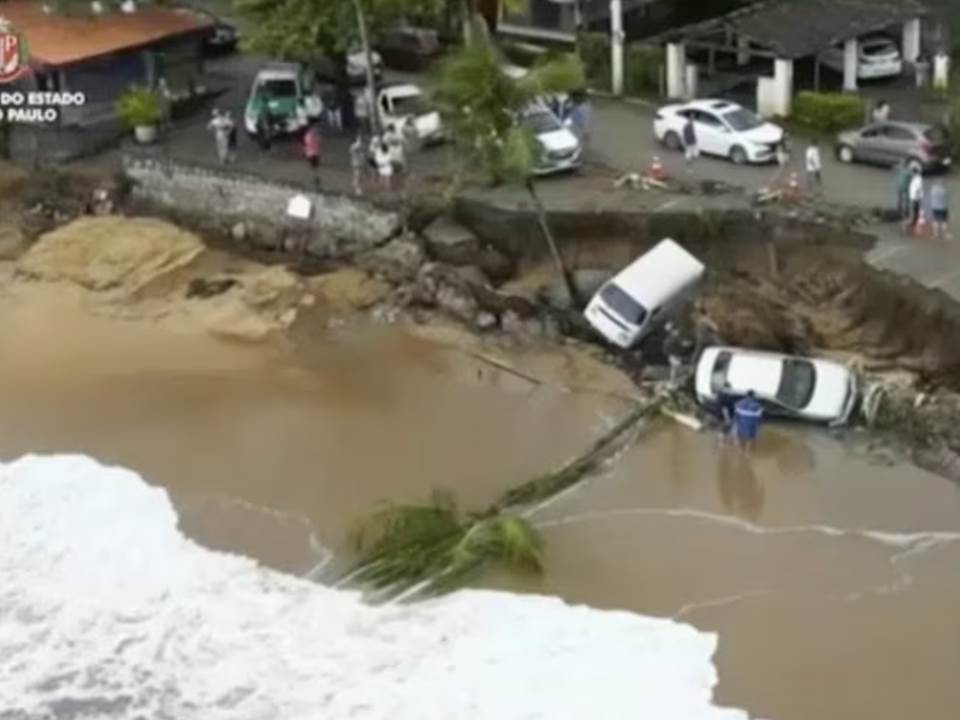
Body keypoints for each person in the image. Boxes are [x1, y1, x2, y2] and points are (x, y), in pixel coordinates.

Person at [303, 122, 322, 189]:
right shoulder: (316, 136)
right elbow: (319, 142)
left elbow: (306, 144)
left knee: (312, 167)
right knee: (316, 166)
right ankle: (316, 177)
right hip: (316, 153)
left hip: (310, 153)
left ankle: (315, 178)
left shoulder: (307, 136)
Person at [907, 166, 924, 233]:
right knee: (915, 209)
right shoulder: (915, 178)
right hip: (914, 197)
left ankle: (914, 221)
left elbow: (918, 188)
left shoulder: (918, 179)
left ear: (914, 172)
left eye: (912, 172)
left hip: (916, 197)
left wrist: (916, 197)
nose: (911, 173)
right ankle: (915, 220)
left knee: (915, 209)